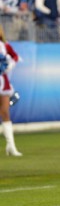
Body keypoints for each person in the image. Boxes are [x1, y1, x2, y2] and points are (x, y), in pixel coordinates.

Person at [0, 25, 21, 156]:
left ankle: (11, 146)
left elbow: (15, 57)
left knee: (5, 113)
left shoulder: (4, 45)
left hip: (2, 82)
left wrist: (8, 66)